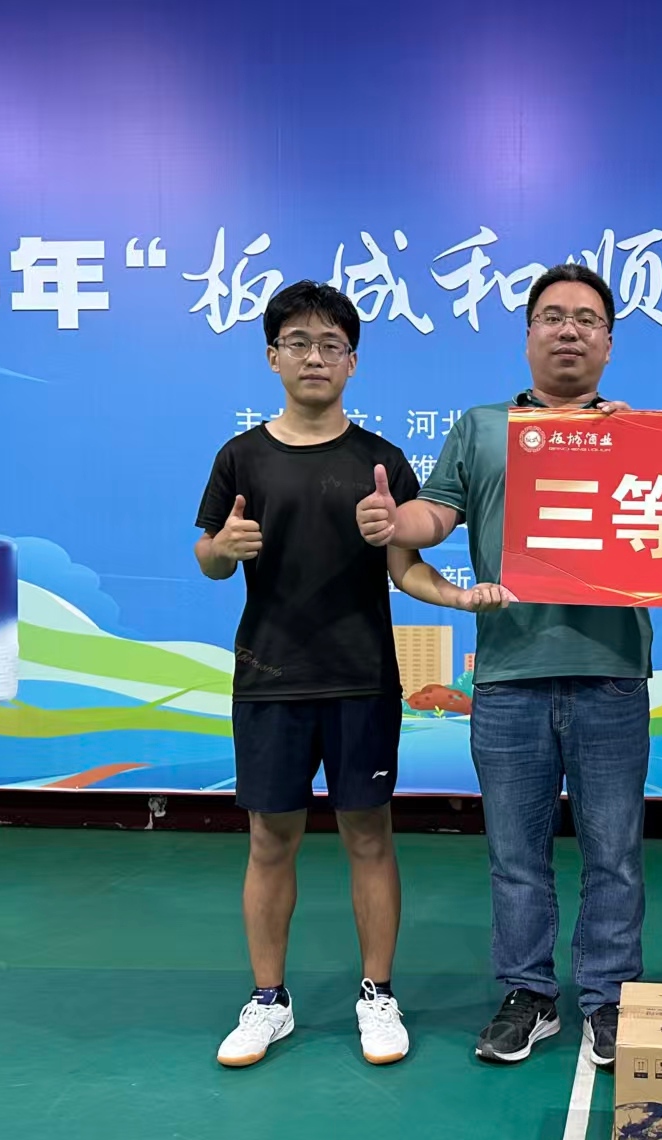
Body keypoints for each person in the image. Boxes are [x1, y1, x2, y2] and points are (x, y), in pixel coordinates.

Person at [195, 281, 511, 1071]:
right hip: (268, 679)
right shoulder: (240, 457)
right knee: (270, 838)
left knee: (369, 834)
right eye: (298, 342)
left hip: (362, 678)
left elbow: (407, 566)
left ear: (352, 362)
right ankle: (269, 999)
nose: (315, 356)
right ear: (272, 357)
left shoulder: (382, 461)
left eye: (331, 344)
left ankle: (377, 992)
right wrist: (222, 550)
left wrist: (460, 595)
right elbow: (208, 556)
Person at [355, 264, 649, 1071]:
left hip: (613, 670)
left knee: (615, 852)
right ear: (527, 336)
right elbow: (435, 513)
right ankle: (529, 993)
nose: (568, 330)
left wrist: (650, 443)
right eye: (551, 316)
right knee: (516, 854)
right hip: (510, 674)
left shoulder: (638, 432)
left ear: (609, 342)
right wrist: (393, 520)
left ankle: (610, 996)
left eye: (586, 319)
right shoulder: (484, 427)